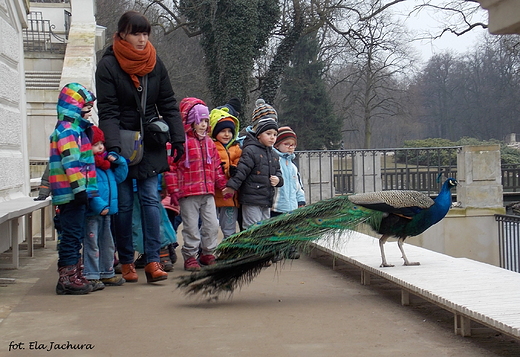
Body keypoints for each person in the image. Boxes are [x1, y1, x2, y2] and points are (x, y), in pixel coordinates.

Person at [96, 11, 185, 283]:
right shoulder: (108, 65)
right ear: (122, 33)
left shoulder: (154, 62)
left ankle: (153, 260)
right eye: (136, 33)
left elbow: (168, 102)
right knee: (122, 204)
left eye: (146, 33)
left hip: (151, 141)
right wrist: (113, 147)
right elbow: (108, 111)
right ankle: (125, 261)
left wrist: (178, 138)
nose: (142, 39)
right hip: (122, 142)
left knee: (150, 201)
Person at [167, 98, 227, 271]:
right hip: (188, 193)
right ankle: (190, 256)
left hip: (207, 192)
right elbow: (171, 166)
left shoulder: (209, 143)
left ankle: (208, 252)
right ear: (190, 121)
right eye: (199, 120)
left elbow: (216, 165)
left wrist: (223, 185)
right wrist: (173, 189)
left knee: (212, 224)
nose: (203, 124)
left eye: (206, 121)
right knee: (191, 227)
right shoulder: (181, 142)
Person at [49, 83, 98, 295]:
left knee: (75, 235)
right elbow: (71, 162)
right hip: (70, 194)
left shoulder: (76, 129)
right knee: (70, 236)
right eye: (85, 108)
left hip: (74, 193)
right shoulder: (68, 131)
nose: (88, 112)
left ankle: (74, 273)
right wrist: (79, 190)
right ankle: (67, 277)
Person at [222, 99, 284, 230]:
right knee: (252, 228)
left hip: (266, 199)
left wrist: (278, 180)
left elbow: (278, 171)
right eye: (268, 134)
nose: (272, 137)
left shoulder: (273, 154)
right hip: (251, 198)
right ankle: (250, 251)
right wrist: (232, 187)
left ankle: (261, 250)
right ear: (258, 134)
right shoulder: (249, 149)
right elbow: (241, 171)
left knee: (264, 229)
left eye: (275, 134)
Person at [84, 126, 128, 290]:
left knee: (107, 243)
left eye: (102, 143)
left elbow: (121, 176)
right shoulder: (89, 166)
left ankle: (106, 272)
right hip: (94, 212)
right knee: (92, 244)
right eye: (96, 144)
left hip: (107, 212)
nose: (101, 147)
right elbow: (89, 188)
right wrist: (98, 205)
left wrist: (119, 161)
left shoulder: (105, 166)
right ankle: (91, 274)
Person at [271, 126, 306, 259]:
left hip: (291, 206)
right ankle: (276, 250)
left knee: (290, 229)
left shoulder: (292, 166)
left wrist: (301, 200)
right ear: (278, 144)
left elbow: (298, 185)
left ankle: (289, 248)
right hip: (277, 204)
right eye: (287, 144)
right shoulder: (275, 161)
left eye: (293, 145)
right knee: (276, 229)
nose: (290, 147)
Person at [209, 106, 242, 239]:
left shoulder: (236, 148)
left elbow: (239, 160)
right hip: (213, 194)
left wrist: (234, 167)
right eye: (223, 131)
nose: (227, 134)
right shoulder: (210, 146)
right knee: (209, 226)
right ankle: (206, 250)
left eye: (230, 131)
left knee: (229, 227)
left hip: (230, 196)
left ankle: (228, 250)